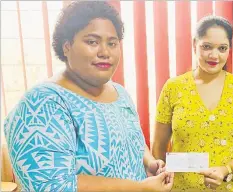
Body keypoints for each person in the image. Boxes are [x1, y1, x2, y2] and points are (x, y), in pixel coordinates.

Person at [3, 1, 173, 191]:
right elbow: (53, 185)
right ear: (66, 46)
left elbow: (134, 141)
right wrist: (140, 188)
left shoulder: (120, 93)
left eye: (112, 43)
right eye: (92, 42)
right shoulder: (42, 103)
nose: (105, 52)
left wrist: (149, 162)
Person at [151, 15, 233, 191]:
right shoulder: (174, 87)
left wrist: (227, 170)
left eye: (222, 48)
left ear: (229, 50)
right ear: (195, 44)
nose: (214, 55)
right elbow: (158, 149)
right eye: (207, 47)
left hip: (230, 187)